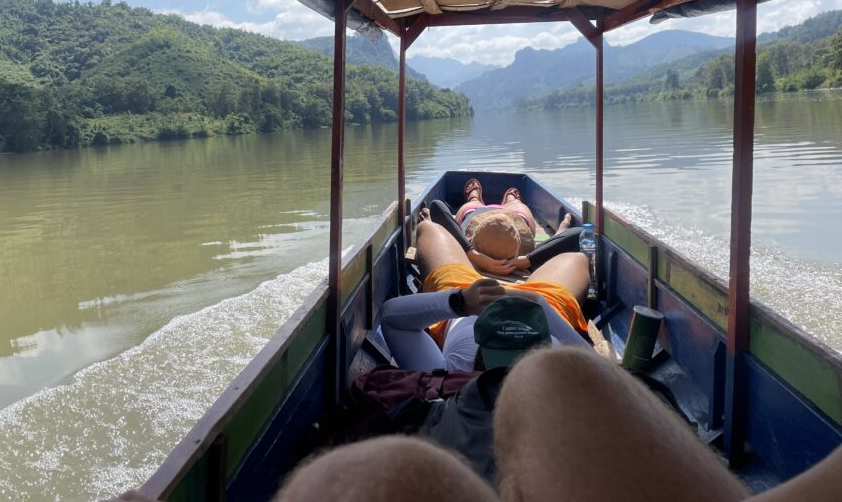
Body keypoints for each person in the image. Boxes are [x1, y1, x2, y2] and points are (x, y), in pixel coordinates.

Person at [275, 347, 842, 502]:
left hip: (474, 297)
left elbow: (399, 318)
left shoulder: (449, 355)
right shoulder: (548, 328)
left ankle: (484, 214)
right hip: (523, 296)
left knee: (350, 483)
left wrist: (462, 288)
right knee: (555, 371)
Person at [405, 213, 590, 369]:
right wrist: (527, 265)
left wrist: (459, 299)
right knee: (578, 258)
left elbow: (391, 317)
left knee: (428, 227)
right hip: (540, 307)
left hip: (466, 296)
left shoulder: (453, 370)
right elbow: (592, 361)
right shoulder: (551, 376)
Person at [424, 180, 582, 279]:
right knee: (516, 206)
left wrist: (473, 255)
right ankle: (512, 200)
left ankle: (474, 198)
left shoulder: (463, 271)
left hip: (479, 219)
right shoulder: (525, 268)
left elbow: (436, 206)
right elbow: (577, 234)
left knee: (472, 205)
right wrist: (525, 261)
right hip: (512, 219)